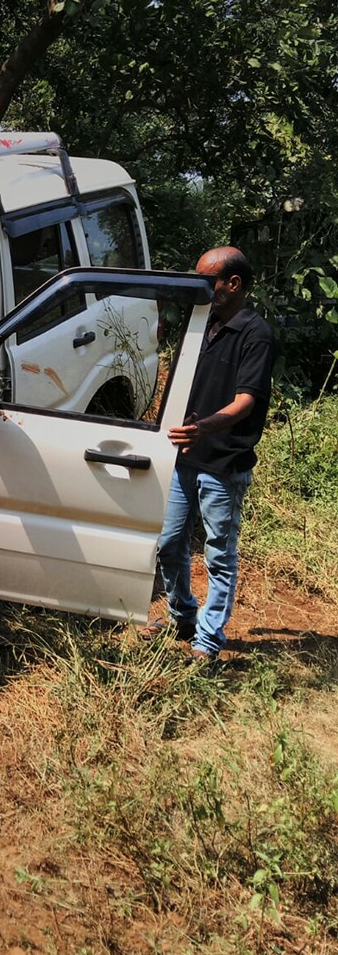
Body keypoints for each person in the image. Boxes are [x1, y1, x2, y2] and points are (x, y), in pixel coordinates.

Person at [146, 246, 276, 662]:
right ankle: (182, 616)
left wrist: (202, 428)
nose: (201, 287)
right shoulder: (203, 322)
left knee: (219, 553)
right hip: (185, 456)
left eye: (208, 280)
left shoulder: (256, 334)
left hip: (223, 462)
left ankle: (207, 640)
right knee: (169, 543)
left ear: (233, 284)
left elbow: (245, 403)